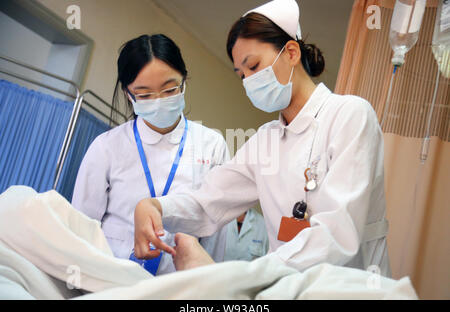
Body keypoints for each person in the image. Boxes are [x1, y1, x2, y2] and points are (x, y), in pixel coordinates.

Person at [133, 0, 391, 277]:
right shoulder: (265, 141)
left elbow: (337, 233)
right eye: (241, 75)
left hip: (347, 288)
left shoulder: (350, 115)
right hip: (283, 288)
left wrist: (248, 279)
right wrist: (156, 206)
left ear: (291, 52)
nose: (248, 82)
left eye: (253, 66)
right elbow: (208, 203)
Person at [71, 34, 229, 275]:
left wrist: (206, 285)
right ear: (128, 94)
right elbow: (81, 228)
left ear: (184, 82)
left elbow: (215, 235)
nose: (159, 101)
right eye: (144, 95)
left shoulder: (212, 145)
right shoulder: (106, 147)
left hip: (177, 286)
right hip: (110, 281)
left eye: (169, 90)